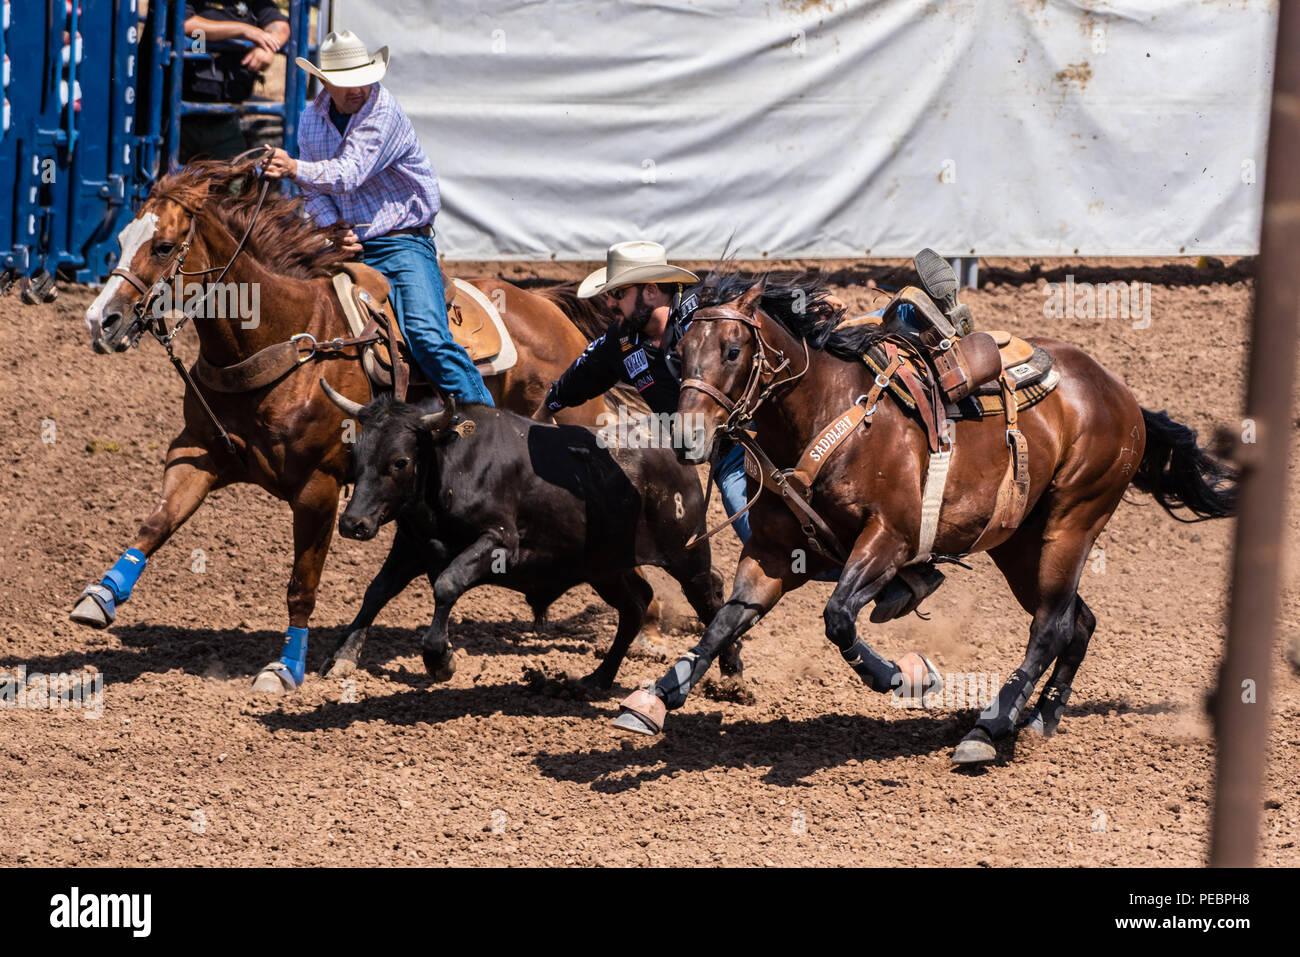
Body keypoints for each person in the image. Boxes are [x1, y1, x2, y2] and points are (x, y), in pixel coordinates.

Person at [260, 30, 493, 408]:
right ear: (324, 81)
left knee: (426, 336)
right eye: (346, 82)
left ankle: (484, 422)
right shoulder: (311, 120)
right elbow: (316, 193)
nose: (358, 89)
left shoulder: (382, 111)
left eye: (362, 78)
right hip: (348, 244)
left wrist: (293, 167)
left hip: (402, 241)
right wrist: (334, 229)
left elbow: (349, 173)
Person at [542, 241, 754, 541]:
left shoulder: (707, 306)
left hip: (768, 423)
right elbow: (580, 375)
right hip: (729, 453)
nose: (609, 303)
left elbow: (762, 312)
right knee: (756, 533)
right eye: (608, 294)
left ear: (651, 291)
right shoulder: (620, 342)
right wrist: (546, 407)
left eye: (618, 293)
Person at [180, 1, 290, 162]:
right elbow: (187, 24)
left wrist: (268, 46)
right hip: (180, 115)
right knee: (172, 182)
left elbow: (279, 25)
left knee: (233, 180)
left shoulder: (251, 4)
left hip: (226, 117)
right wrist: (246, 31)